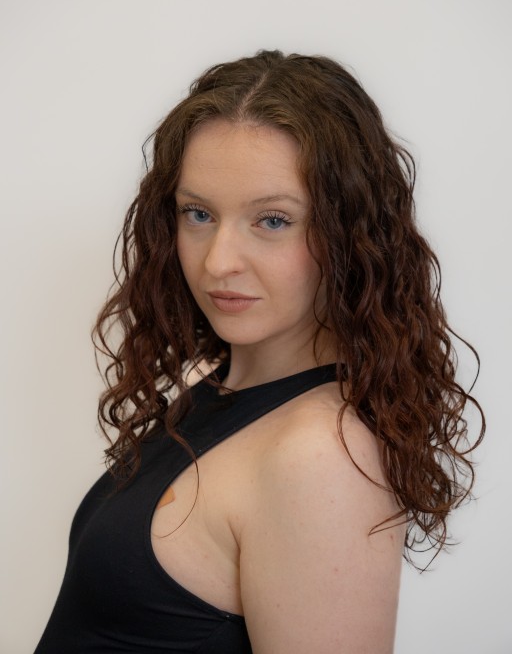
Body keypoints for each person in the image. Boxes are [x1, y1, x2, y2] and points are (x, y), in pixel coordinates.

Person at [34, 50, 484, 653]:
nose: (218, 261)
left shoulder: (318, 458)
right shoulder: (223, 392)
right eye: (198, 213)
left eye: (272, 220)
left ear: (349, 235)